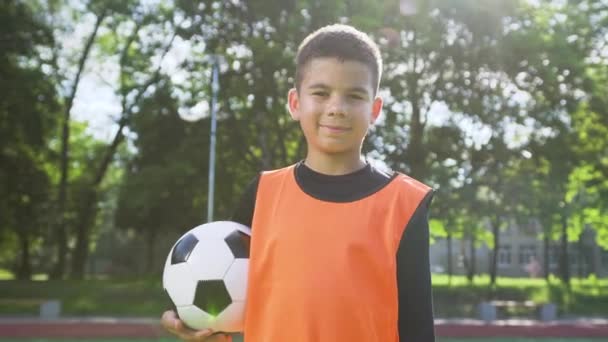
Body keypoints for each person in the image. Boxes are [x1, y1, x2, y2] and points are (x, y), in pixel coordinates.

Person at [161, 23, 436, 342]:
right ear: (295, 103)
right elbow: (217, 280)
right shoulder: (263, 194)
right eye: (321, 93)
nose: (336, 108)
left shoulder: (404, 204)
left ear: (375, 109)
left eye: (355, 96)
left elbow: (418, 327)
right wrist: (195, 321)